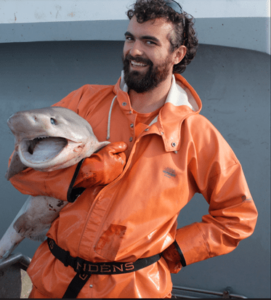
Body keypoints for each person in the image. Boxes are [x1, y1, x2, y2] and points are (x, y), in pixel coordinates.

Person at [9, 0, 258, 298]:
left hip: (132, 289)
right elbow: (19, 169)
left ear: (177, 54)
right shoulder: (83, 101)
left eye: (149, 41)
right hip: (51, 283)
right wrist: (77, 176)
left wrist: (175, 252)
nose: (134, 50)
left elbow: (237, 215)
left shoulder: (197, 134)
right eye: (130, 38)